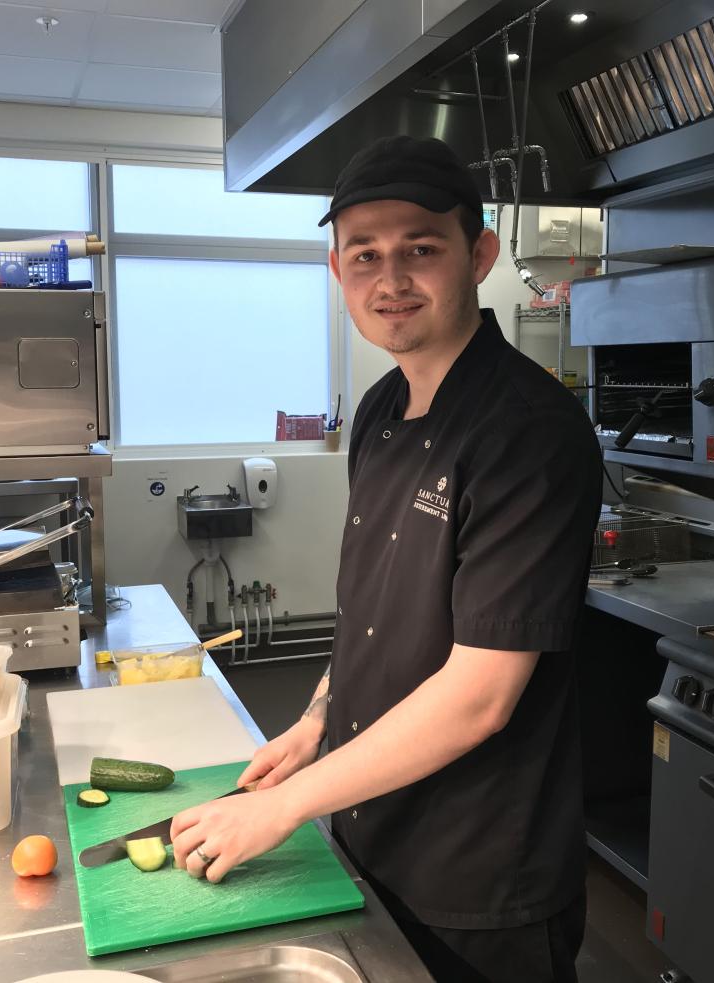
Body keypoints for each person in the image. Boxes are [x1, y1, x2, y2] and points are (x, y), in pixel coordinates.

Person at [170, 135, 603, 983]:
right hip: (374, 830)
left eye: (421, 249)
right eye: (364, 255)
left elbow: (480, 696)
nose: (390, 279)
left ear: (478, 256)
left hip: (481, 868)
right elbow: (373, 609)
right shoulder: (380, 408)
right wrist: (316, 721)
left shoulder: (528, 431)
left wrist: (290, 805)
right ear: (338, 273)